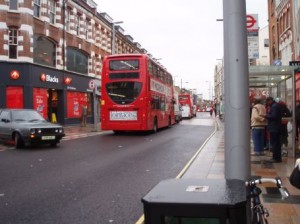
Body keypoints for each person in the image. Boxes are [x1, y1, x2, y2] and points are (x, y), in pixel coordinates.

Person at [265, 96, 282, 163]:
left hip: (274, 128)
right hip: (276, 127)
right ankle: (277, 158)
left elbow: (274, 116)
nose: (267, 103)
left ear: (270, 100)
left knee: (274, 143)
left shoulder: (274, 106)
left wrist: (266, 115)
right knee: (276, 143)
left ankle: (276, 158)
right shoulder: (276, 105)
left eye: (267, 102)